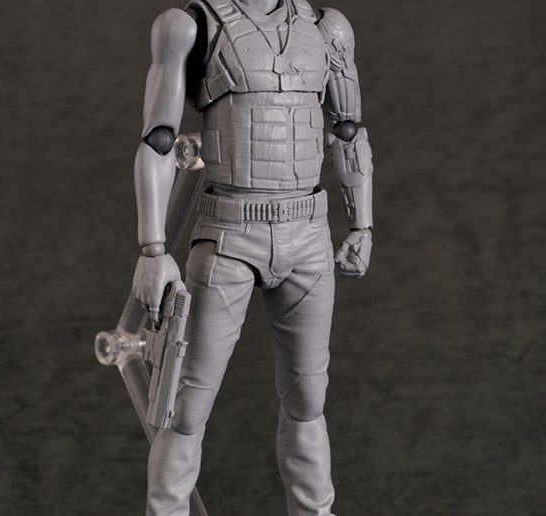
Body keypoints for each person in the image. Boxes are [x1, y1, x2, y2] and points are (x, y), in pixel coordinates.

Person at [130, 0, 374, 514]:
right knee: (186, 405)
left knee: (308, 401)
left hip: (307, 234)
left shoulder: (326, 30)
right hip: (228, 235)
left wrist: (362, 223)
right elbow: (158, 139)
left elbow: (348, 128)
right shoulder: (189, 26)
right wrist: (153, 250)